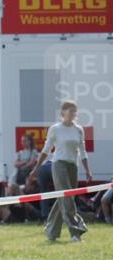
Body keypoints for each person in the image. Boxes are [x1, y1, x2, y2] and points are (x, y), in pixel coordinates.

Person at [28, 100, 94, 242]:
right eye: (70, 110)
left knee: (63, 199)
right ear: (63, 112)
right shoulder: (55, 128)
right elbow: (46, 150)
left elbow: (82, 152)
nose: (72, 113)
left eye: (74, 111)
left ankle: (51, 231)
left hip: (73, 166)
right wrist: (36, 168)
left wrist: (88, 170)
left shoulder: (78, 129)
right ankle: (75, 232)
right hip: (58, 165)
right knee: (67, 198)